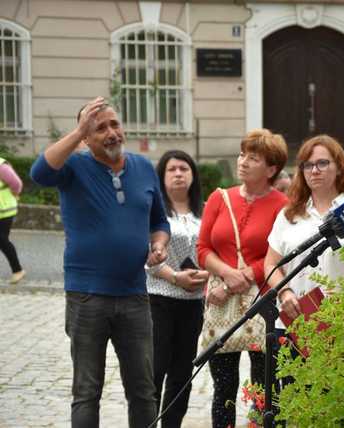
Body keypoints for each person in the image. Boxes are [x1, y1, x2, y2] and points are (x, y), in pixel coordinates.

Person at [30, 97, 171, 427]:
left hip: (135, 295)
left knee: (142, 391)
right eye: (99, 128)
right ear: (85, 138)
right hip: (86, 296)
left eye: (114, 124)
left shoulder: (143, 168)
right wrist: (78, 130)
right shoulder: (73, 168)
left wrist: (159, 246)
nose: (111, 133)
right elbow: (39, 172)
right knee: (87, 391)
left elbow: (159, 222)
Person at [197, 128, 288, 428]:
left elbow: (281, 255)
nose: (243, 162)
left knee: (263, 388)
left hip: (261, 305)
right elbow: (203, 249)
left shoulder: (281, 206)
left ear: (271, 169)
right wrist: (226, 276)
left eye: (254, 158)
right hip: (221, 303)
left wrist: (248, 274)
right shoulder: (219, 198)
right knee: (223, 388)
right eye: (242, 154)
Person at [264, 134, 344, 336]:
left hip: (343, 325)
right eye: (308, 165)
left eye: (322, 163)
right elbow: (270, 264)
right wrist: (284, 293)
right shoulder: (289, 214)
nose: (314, 171)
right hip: (294, 325)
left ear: (339, 168)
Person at [147, 150, 209, 427]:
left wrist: (208, 274)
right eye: (171, 169)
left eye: (184, 168)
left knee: (182, 373)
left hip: (194, 303)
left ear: (193, 174)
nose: (178, 174)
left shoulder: (206, 211)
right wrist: (174, 277)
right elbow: (143, 256)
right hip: (158, 299)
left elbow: (217, 252)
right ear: (162, 176)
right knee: (155, 369)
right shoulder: (152, 211)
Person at [0, 157, 26, 284]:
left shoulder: (1, 166)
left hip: (4, 210)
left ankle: (18, 270)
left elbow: (16, 184)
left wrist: (15, 194)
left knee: (2, 240)